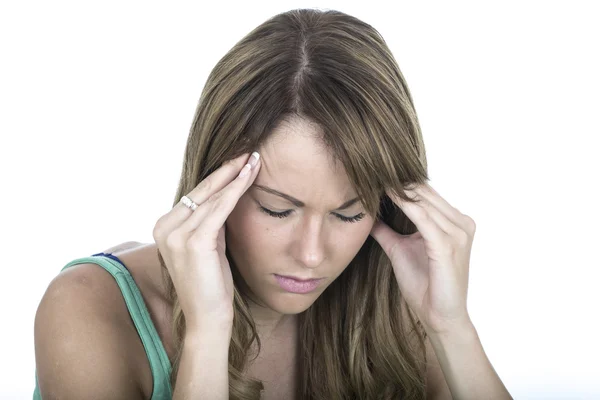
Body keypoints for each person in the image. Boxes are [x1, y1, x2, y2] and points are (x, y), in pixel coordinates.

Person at [32, 8, 512, 400]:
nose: (311, 255)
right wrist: (207, 333)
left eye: (349, 213)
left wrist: (452, 328)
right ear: (213, 187)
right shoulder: (87, 308)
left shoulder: (395, 300)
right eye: (278, 210)